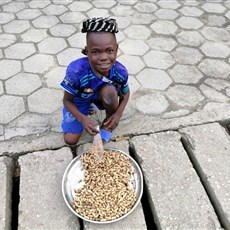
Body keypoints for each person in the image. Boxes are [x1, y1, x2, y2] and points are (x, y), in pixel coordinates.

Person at [60, 17, 130, 145]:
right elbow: (67, 101)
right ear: (87, 52)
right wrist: (83, 119)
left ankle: (108, 123)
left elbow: (126, 94)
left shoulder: (120, 72)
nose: (103, 58)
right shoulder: (76, 72)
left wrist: (118, 114)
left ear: (116, 49)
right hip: (80, 98)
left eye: (109, 51)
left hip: (101, 94)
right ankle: (86, 108)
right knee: (70, 140)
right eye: (96, 52)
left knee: (110, 93)